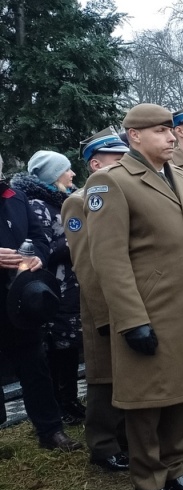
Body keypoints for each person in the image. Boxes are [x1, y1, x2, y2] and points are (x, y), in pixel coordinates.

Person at [85, 104, 183, 490]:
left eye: (171, 130)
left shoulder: (182, 178)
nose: (170, 136)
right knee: (148, 402)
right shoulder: (110, 182)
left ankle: (175, 470)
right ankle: (148, 482)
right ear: (135, 136)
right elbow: (108, 259)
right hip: (149, 311)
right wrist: (131, 321)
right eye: (161, 130)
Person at [0, 152, 82, 453]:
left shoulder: (15, 196)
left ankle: (50, 431)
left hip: (19, 299)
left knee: (35, 365)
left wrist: (36, 256)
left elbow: (39, 236)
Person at [63, 128, 130, 472]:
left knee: (128, 375)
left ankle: (126, 438)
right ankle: (103, 445)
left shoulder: (119, 195)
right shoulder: (78, 202)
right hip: (100, 306)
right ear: (95, 164)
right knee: (104, 379)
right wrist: (105, 316)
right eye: (116, 159)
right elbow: (86, 265)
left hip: (127, 302)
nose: (123, 163)